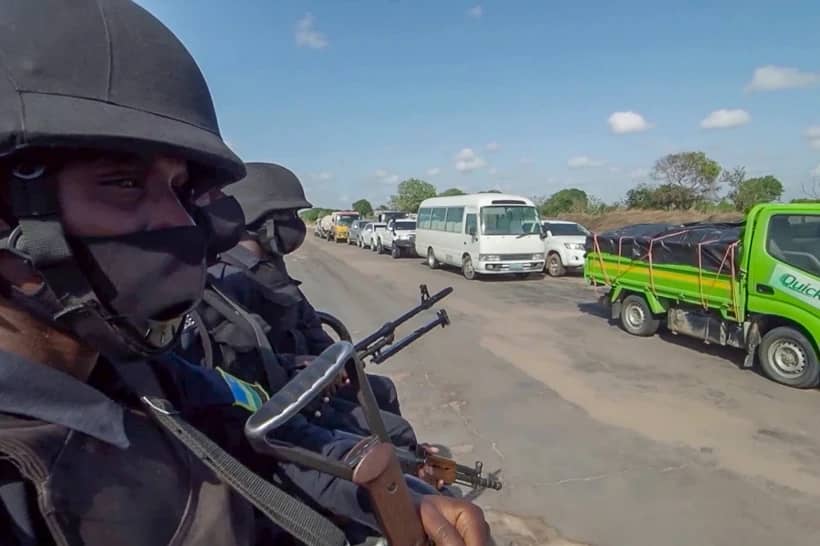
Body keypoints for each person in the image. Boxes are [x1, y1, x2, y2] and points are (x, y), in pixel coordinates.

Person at [0, 2, 491, 546]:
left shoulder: (146, 374)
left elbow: (268, 433)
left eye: (179, 189)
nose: (178, 221)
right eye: (123, 183)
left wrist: (396, 499)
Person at [219, 162, 402, 416]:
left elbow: (307, 321)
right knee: (398, 430)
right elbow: (246, 362)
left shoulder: (271, 267)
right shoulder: (228, 281)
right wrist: (305, 367)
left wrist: (332, 359)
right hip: (282, 398)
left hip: (310, 383)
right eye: (289, 216)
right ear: (258, 220)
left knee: (383, 390)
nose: (296, 225)